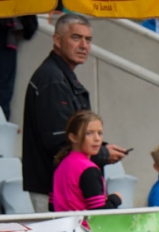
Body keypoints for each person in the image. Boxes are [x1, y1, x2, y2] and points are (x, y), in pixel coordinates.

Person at [22, 13, 128, 213]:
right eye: (76, 37)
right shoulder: (52, 80)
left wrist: (103, 147)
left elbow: (72, 133)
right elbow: (59, 140)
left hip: (62, 188)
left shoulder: (59, 76)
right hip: (54, 189)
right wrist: (103, 153)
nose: (84, 45)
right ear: (57, 40)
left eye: (88, 39)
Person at [51, 110, 121, 212]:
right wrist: (115, 199)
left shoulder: (60, 165)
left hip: (62, 222)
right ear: (73, 137)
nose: (97, 138)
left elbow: (52, 205)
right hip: (82, 222)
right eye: (89, 133)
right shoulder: (89, 170)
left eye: (100, 133)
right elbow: (98, 214)